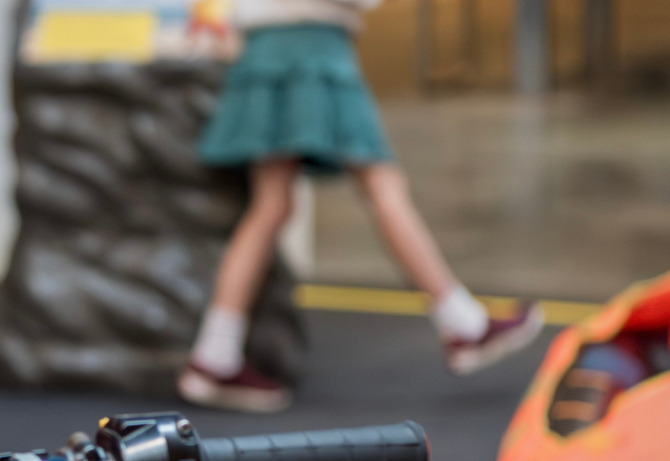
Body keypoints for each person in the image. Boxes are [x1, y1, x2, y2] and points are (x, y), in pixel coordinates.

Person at [180, 0, 544, 413]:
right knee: (380, 184)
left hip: (271, 45)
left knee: (272, 204)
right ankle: (463, 323)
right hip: (312, 46)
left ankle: (215, 354)